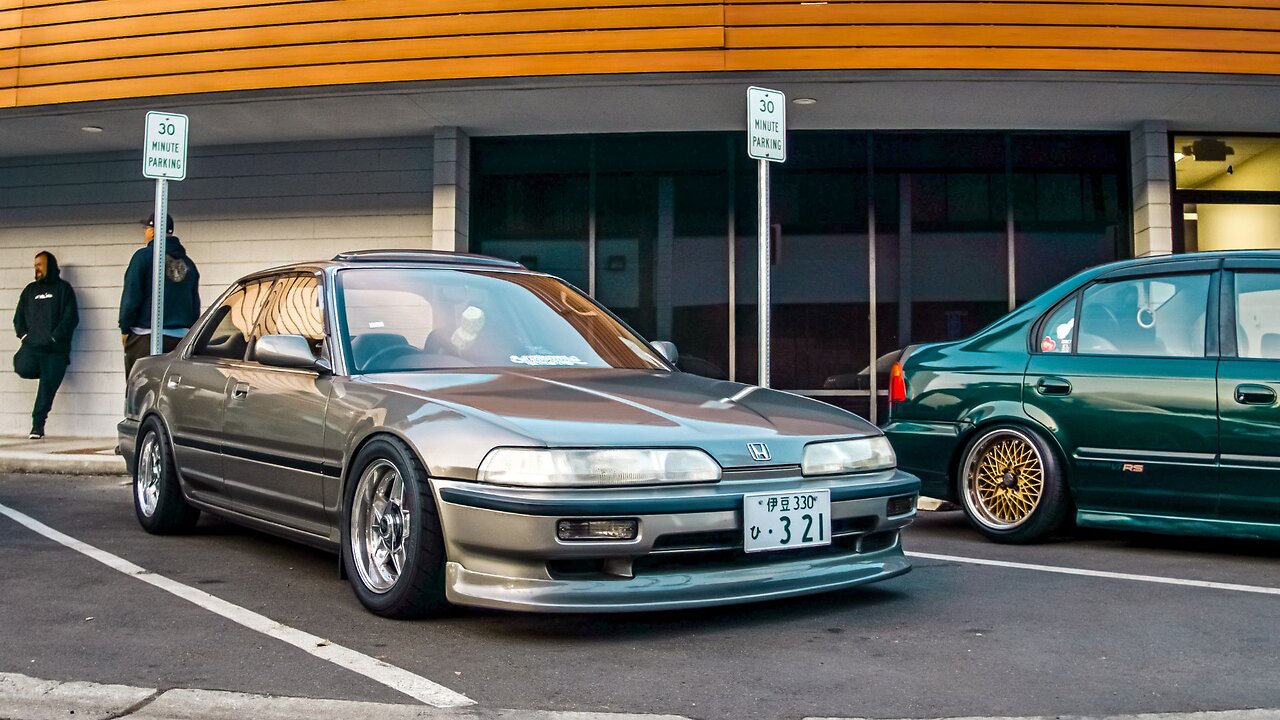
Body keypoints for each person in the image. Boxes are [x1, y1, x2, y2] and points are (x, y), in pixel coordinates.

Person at [120, 213, 201, 377]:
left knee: (140, 393)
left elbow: (131, 296)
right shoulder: (189, 264)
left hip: (145, 337)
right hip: (180, 341)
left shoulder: (143, 257)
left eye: (146, 228)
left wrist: (125, 328)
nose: (145, 232)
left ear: (152, 231)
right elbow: (194, 307)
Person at [13, 251, 79, 439]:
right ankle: (45, 372)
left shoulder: (63, 289)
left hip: (54, 352)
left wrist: (55, 338)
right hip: (33, 348)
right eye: (35, 266)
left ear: (49, 265)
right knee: (21, 366)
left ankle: (37, 426)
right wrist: (24, 336)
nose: (37, 269)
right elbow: (18, 318)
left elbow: (71, 318)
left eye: (40, 265)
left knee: (46, 391)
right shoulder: (30, 290)